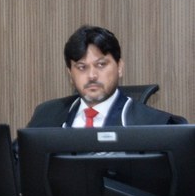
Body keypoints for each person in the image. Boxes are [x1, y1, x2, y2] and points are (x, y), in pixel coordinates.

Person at [27, 25, 186, 128]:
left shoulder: (157, 126)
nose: (92, 75)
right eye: (82, 67)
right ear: (70, 74)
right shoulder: (46, 116)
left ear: (120, 68)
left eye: (101, 65)